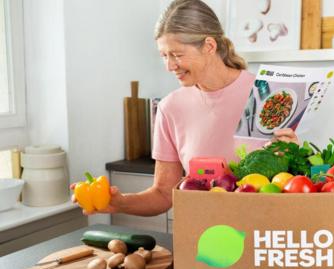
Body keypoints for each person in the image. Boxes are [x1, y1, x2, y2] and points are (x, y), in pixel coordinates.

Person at [72, 0, 298, 216]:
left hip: (263, 232)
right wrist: (119, 203)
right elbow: (163, 194)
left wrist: (294, 154)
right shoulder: (171, 108)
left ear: (209, 46)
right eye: (164, 56)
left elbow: (291, 186)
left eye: (177, 55)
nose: (170, 66)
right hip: (202, 236)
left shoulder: (267, 95)